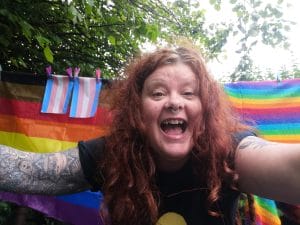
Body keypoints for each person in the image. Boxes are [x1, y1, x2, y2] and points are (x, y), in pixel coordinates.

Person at [0, 46, 300, 225]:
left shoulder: (231, 153)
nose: (173, 101)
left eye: (188, 93)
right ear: (137, 112)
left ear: (204, 109)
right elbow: (27, 171)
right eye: (157, 92)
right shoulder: (111, 154)